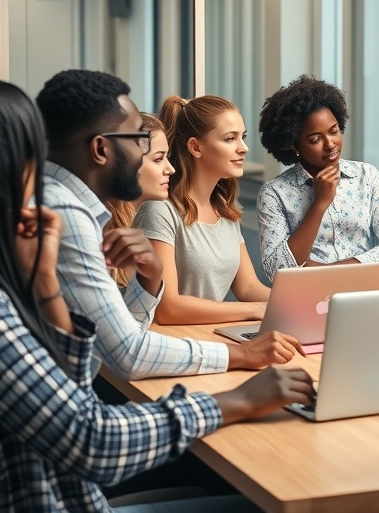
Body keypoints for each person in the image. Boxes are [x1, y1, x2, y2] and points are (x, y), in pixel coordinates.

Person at [0, 76, 316, 512]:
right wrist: (234, 400)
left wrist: (48, 292)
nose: (42, 174)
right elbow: (91, 438)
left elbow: (69, 398)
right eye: (31, 154)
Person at [37, 69, 303, 380]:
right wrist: (243, 351)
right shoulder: (67, 215)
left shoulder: (75, 210)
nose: (145, 156)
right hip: (163, 358)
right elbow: (129, 351)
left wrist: (148, 281)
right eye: (138, 140)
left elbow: (127, 330)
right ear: (99, 149)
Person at [134, 95, 272, 325]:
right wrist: (255, 310)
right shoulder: (159, 212)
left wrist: (302, 305)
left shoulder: (226, 211)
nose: (244, 148)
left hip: (210, 337)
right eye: (230, 139)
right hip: (176, 342)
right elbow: (168, 309)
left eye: (242, 137)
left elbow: (248, 287)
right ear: (195, 147)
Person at [256, 75, 379, 279]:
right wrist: (319, 204)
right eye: (315, 139)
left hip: (361, 297)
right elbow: (277, 269)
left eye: (334, 131)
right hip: (305, 301)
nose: (330, 144)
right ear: (294, 145)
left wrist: (331, 271)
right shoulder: (275, 194)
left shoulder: (366, 176)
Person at [105, 113, 174, 288]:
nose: (170, 169)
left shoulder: (154, 226)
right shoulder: (100, 236)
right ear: (127, 163)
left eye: (167, 158)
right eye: (158, 159)